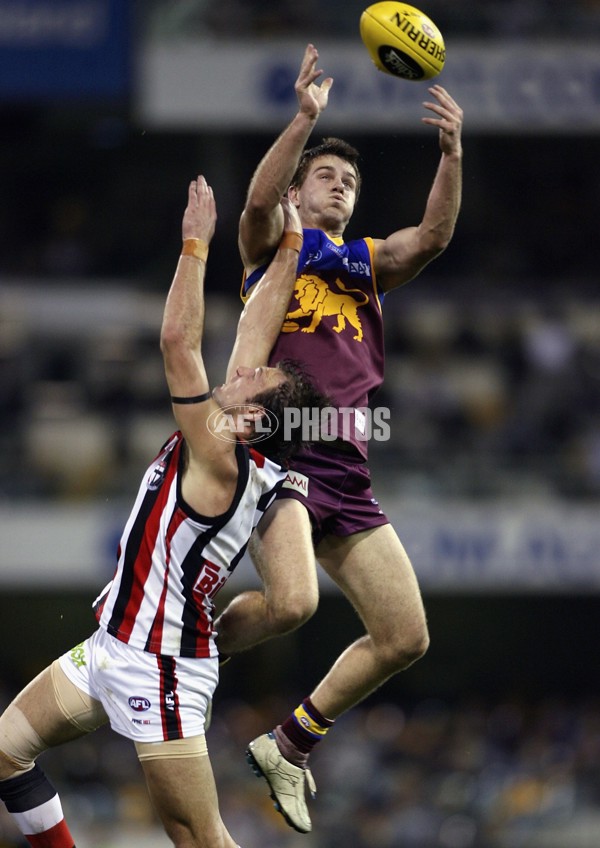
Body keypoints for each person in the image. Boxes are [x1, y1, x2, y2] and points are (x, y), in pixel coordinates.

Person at [0, 175, 329, 848]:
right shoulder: (248, 454)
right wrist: (291, 242)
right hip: (114, 646)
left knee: (199, 838)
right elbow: (260, 334)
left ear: (253, 420)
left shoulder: (216, 455)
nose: (237, 373)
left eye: (249, 381)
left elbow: (178, 342)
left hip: (160, 668)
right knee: (5, 751)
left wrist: (194, 244)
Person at [213, 43, 464, 834]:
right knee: (293, 606)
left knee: (405, 635)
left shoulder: (365, 264)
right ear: (298, 189)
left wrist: (452, 154)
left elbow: (429, 237)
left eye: (350, 180)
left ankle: (289, 744)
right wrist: (304, 121)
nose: (342, 183)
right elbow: (254, 205)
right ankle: (180, 647)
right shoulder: (278, 247)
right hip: (280, 453)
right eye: (326, 174)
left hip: (348, 470)